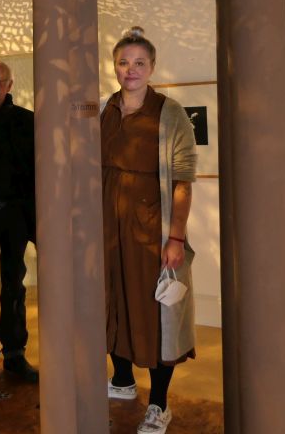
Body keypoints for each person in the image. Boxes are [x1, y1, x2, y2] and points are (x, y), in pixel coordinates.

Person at [102, 28, 197, 434]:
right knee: (112, 303)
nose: (131, 70)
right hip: (107, 230)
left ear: (152, 67)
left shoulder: (169, 112)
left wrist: (175, 237)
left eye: (139, 62)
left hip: (150, 234)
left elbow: (183, 180)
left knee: (156, 313)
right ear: (115, 66)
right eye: (124, 62)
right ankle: (122, 378)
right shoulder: (105, 109)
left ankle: (159, 404)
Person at [0, 60, 38, 385]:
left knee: (14, 285)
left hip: (16, 217)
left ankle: (15, 354)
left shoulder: (27, 122)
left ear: (10, 85)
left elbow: (36, 174)